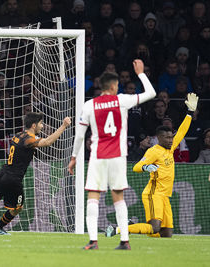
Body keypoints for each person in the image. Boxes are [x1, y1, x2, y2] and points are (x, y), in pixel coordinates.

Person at [67, 59, 156, 250]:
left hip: (98, 156)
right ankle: (124, 241)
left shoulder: (89, 105)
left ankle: (93, 241)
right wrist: (140, 73)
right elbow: (151, 93)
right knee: (118, 196)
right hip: (118, 156)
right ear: (115, 86)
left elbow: (80, 135)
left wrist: (74, 157)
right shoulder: (122, 100)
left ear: (101, 86)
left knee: (93, 195)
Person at [105, 93, 199, 238]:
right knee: (154, 228)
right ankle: (119, 228)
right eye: (167, 138)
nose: (170, 140)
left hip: (164, 196)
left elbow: (182, 131)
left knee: (166, 234)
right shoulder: (153, 151)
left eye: (171, 137)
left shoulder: (171, 146)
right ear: (159, 138)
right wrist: (146, 167)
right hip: (153, 194)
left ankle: (132, 226)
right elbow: (136, 167)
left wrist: (190, 113)